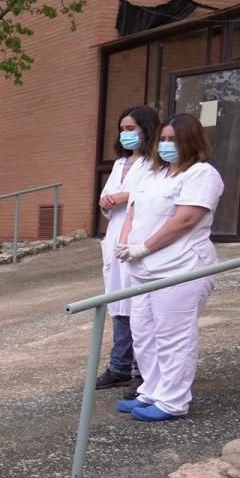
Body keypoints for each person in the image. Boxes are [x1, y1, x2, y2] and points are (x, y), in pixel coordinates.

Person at [115, 113, 223, 423]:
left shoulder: (202, 174)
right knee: (145, 333)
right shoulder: (153, 174)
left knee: (173, 335)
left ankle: (173, 401)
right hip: (143, 268)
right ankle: (151, 390)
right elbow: (133, 212)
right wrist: (125, 244)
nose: (165, 145)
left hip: (180, 268)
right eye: (162, 139)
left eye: (172, 139)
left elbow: (186, 219)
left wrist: (144, 247)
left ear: (191, 141)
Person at [94, 105, 160, 392]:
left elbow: (155, 196)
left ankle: (142, 372)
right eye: (122, 130)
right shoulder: (121, 164)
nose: (125, 134)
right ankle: (119, 366)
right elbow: (106, 195)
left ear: (146, 130)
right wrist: (106, 200)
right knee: (118, 305)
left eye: (131, 129)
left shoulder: (156, 164)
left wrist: (125, 196)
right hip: (115, 238)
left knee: (140, 306)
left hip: (140, 240)